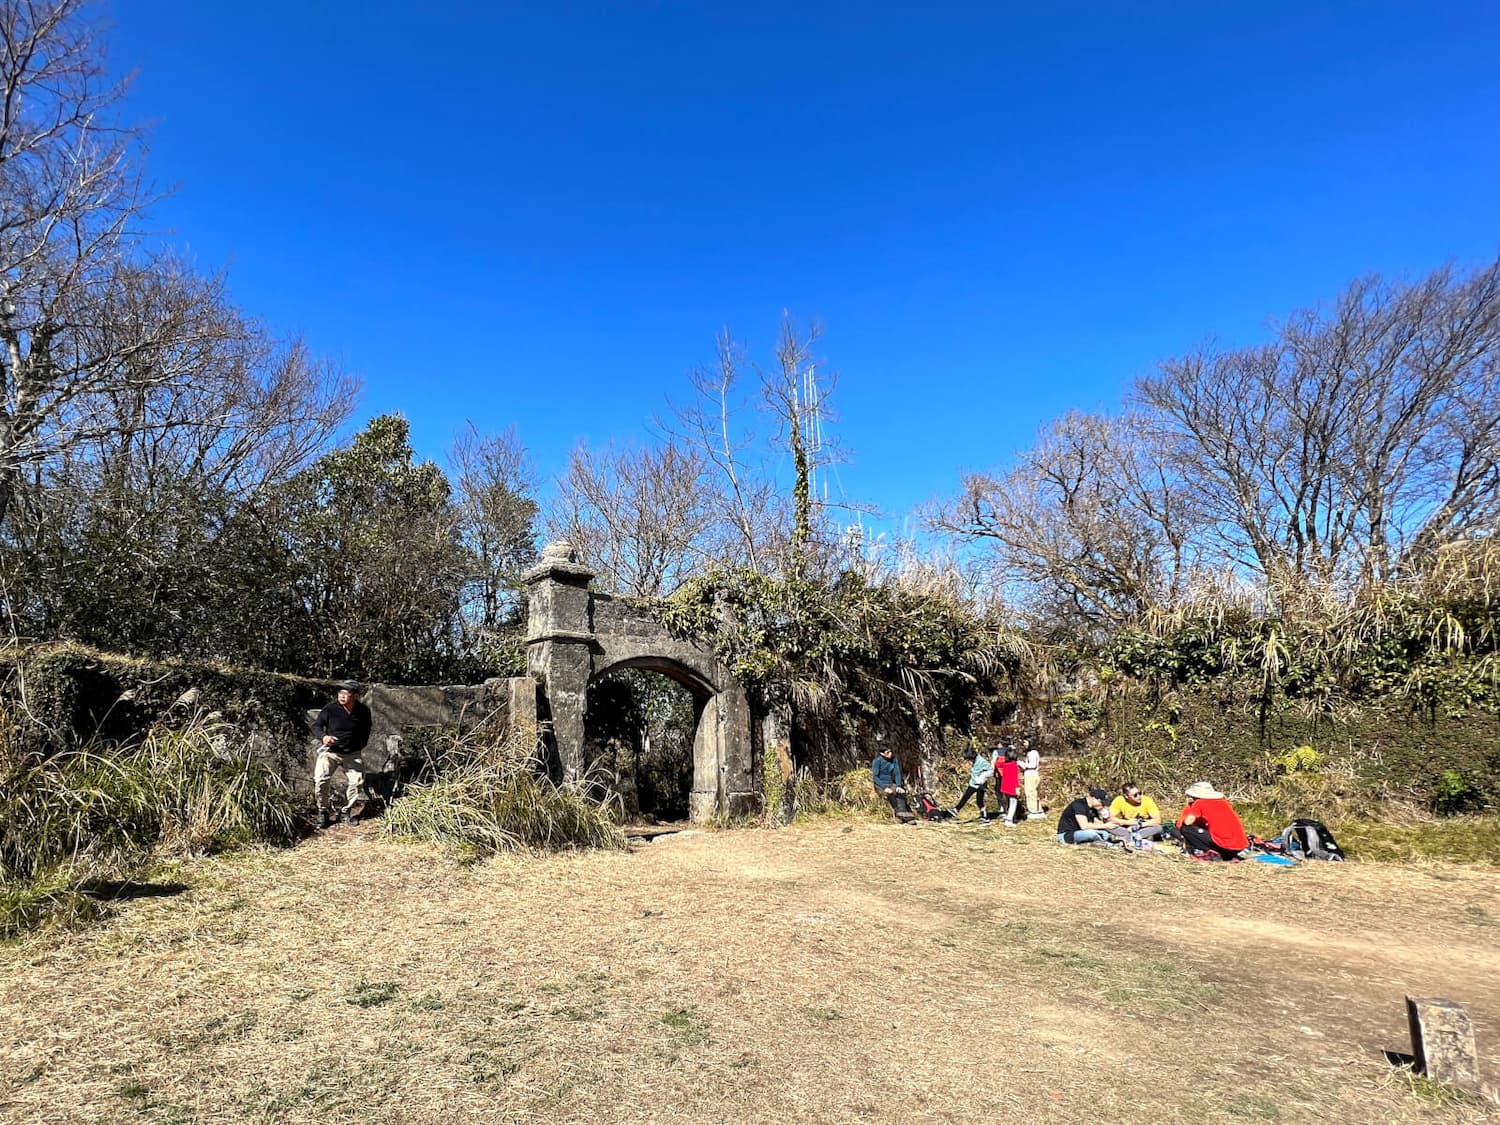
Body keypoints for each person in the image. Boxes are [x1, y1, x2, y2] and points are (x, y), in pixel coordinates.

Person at [313, 680, 373, 828]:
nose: (342, 696)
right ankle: (323, 812)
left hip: (352, 753)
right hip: (330, 752)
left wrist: (359, 746)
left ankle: (346, 812)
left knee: (357, 782)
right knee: (320, 780)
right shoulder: (330, 709)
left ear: (356, 696)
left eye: (347, 693)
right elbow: (317, 726)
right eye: (340, 692)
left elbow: (366, 730)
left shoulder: (363, 711)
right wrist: (324, 737)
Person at [1175, 781, 1249, 860]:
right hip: (1239, 847)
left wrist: (1190, 806)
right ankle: (1224, 854)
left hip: (1223, 845)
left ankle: (1205, 851)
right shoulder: (1224, 802)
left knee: (1186, 828)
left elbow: (1187, 822)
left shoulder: (1200, 803)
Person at [1106, 782, 1164, 846]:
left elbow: (1158, 820)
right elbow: (1110, 818)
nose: (1139, 796)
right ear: (1126, 796)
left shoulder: (1147, 801)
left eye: (1139, 793)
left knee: (1159, 827)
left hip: (1142, 827)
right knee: (1108, 825)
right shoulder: (1119, 800)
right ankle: (1129, 837)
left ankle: (1132, 838)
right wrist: (1127, 823)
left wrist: (1138, 825)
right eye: (1135, 795)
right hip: (1126, 827)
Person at [871, 742, 916, 823]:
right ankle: (901, 816)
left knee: (900, 793)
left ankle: (902, 816)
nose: (890, 754)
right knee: (890, 794)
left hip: (891, 783)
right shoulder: (877, 761)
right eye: (887, 752)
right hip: (881, 784)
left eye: (890, 751)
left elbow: (897, 773)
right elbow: (875, 777)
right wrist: (885, 788)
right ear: (882, 753)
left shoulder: (894, 760)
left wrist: (898, 785)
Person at [951, 746, 996, 822]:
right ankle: (956, 809)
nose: (969, 761)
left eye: (969, 759)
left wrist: (983, 776)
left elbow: (991, 770)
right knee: (966, 797)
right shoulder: (974, 761)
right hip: (973, 783)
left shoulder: (982, 761)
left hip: (981, 784)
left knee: (979, 801)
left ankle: (984, 817)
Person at [1021, 739, 1045, 820]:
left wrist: (1021, 763)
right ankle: (1038, 810)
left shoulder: (1032, 753)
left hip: (1030, 774)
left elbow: (1032, 765)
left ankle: (1033, 811)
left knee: (1030, 793)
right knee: (1035, 793)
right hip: (1034, 774)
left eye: (1025, 742)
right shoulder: (1033, 753)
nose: (1024, 744)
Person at [997, 748, 1023, 825]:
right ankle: (1009, 820)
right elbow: (1015, 778)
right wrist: (1017, 788)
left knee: (1008, 804)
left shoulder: (1004, 764)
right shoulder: (1014, 765)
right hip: (1012, 787)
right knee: (1013, 804)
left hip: (1005, 787)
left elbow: (997, 763)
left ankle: (1010, 817)